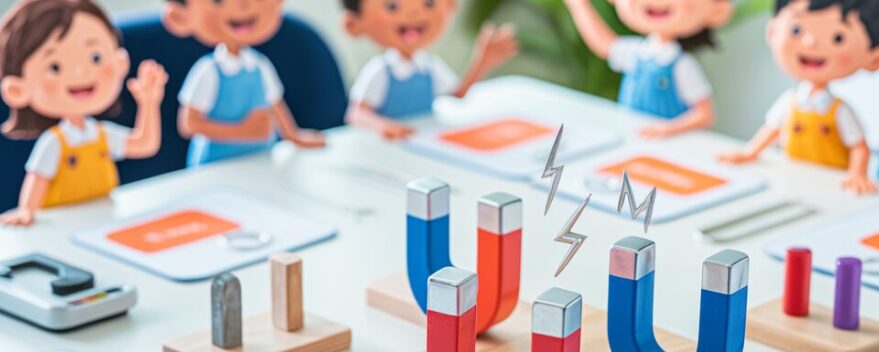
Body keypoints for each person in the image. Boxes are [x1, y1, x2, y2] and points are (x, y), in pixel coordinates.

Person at [0, 0, 168, 226]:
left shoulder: (101, 135)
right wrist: (26, 211)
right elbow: (38, 178)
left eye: (95, 58)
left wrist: (149, 104)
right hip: (60, 224)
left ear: (120, 63)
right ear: (17, 89)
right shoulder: (55, 142)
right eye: (55, 67)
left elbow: (145, 144)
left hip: (105, 219)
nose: (80, 72)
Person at [719, 0, 879, 195]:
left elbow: (859, 147)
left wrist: (857, 175)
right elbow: (771, 130)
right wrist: (749, 153)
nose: (810, 42)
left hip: (831, 186)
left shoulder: (839, 111)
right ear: (772, 32)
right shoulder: (790, 102)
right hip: (791, 178)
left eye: (838, 38)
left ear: (875, 59)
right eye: (797, 30)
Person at [163, 0, 327, 167]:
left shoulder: (259, 65)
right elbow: (189, 124)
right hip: (216, 164)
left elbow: (275, 104)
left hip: (261, 159)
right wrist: (243, 131)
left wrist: (293, 135)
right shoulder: (209, 71)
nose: (243, 4)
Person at [341, 0, 519, 140]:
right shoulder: (381, 71)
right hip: (390, 144)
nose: (413, 13)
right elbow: (355, 113)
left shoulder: (429, 66)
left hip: (424, 139)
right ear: (354, 24)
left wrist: (483, 61)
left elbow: (459, 93)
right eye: (392, 6)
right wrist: (383, 126)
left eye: (428, 3)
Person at [563, 0, 734, 137]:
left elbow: (705, 114)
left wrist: (668, 129)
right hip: (630, 134)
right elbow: (603, 44)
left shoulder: (681, 64)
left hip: (666, 143)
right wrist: (579, 5)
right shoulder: (637, 51)